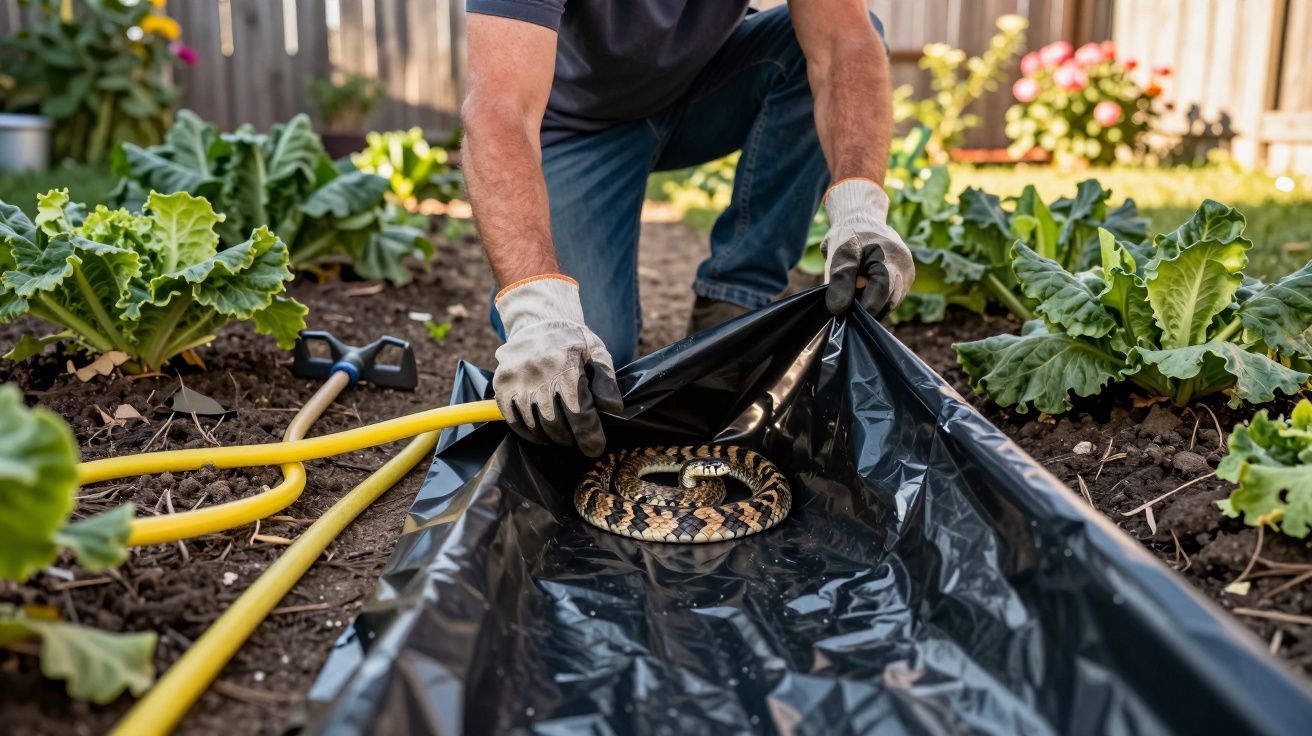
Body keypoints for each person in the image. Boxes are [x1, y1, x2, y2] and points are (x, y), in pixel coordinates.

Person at [461, 0, 915, 457]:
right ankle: (528, 305)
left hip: (703, 89)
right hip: (575, 127)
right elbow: (501, 109)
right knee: (592, 372)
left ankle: (735, 302)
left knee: (839, 38)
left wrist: (861, 209)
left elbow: (843, 42)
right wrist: (535, 306)